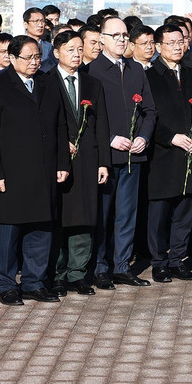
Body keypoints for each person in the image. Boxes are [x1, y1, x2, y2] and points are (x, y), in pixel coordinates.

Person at [0, 36, 69, 305]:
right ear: (13, 58)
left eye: (37, 57)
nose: (34, 62)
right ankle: (6, 284)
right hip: (11, 171)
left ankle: (34, 282)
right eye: (28, 58)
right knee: (9, 230)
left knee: (41, 228)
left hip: (44, 169)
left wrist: (63, 163)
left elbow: (61, 125)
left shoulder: (48, 82)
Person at [88, 16, 156, 289]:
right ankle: (100, 267)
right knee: (103, 215)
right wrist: (111, 139)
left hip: (133, 155)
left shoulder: (136, 70)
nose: (121, 39)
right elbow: (88, 117)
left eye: (124, 35)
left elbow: (150, 110)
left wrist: (143, 136)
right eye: (114, 35)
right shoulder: (91, 71)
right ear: (101, 39)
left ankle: (121, 266)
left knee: (127, 214)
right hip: (106, 156)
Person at [144, 24, 192, 282]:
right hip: (164, 155)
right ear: (159, 46)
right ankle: (159, 262)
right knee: (160, 213)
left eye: (180, 42)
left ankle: (178, 260)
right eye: (170, 42)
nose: (176, 46)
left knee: (186, 212)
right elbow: (146, 116)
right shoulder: (149, 76)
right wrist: (170, 137)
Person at [49, 30, 109, 296]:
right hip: (58, 162)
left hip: (87, 160)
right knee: (60, 218)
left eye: (79, 49)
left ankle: (78, 274)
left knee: (84, 219)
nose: (76, 54)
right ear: (56, 53)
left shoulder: (92, 83)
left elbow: (101, 125)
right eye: (70, 49)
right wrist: (60, 145)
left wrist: (103, 162)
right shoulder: (45, 81)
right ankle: (58, 273)